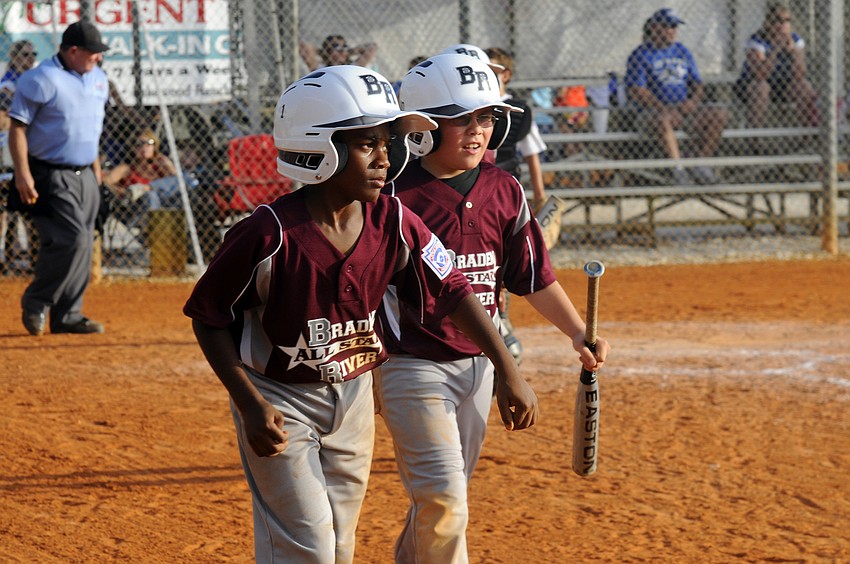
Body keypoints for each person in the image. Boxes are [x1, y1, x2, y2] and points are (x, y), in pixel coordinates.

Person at [183, 65, 537, 563]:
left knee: (341, 542)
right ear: (320, 147)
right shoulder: (268, 235)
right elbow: (210, 316)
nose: (385, 159)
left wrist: (507, 366)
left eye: (388, 144)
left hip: (352, 398)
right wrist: (248, 402)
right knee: (308, 546)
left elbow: (454, 289)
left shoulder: (392, 220)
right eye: (368, 144)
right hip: (280, 398)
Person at [378, 53, 610, 563]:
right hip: (411, 363)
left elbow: (531, 276)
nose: (477, 130)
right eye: (461, 118)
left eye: (486, 118)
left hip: (480, 364)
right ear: (422, 127)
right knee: (445, 497)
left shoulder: (504, 189)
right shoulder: (392, 195)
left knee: (445, 498)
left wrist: (576, 331)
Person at [8, 20, 110, 335]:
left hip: (86, 174)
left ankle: (68, 314)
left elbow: (88, 129)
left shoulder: (98, 79)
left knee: (85, 239)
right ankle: (37, 301)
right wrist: (23, 174)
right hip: (50, 173)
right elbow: (18, 129)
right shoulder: (40, 79)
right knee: (71, 239)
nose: (98, 58)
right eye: (93, 52)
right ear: (73, 51)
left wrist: (96, 174)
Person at [624, 8, 729, 185]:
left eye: (674, 27)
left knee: (719, 114)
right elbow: (637, 90)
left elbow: (697, 83)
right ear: (656, 28)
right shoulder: (641, 54)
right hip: (653, 113)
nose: (673, 31)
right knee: (663, 119)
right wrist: (663, 108)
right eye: (668, 26)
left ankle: (700, 163)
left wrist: (693, 102)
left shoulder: (682, 51)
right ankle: (677, 170)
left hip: (683, 110)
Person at [734, 1, 819, 129]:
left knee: (804, 86)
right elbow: (760, 75)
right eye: (778, 20)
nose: (783, 25)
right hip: (752, 85)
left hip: (782, 85)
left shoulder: (796, 40)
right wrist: (775, 50)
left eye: (787, 20)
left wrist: (795, 53)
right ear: (768, 23)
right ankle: (753, 139)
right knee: (762, 87)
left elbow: (800, 75)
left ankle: (806, 136)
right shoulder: (757, 40)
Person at [1, 40, 38, 275]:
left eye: (33, 53)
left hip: (29, 152)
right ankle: (4, 256)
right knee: (6, 209)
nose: (30, 58)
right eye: (25, 54)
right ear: (14, 58)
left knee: (30, 208)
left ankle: (36, 258)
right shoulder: (8, 84)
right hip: (6, 153)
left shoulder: (35, 80)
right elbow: (5, 118)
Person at [103, 127, 179, 233]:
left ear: (155, 146)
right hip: (137, 207)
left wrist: (165, 163)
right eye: (139, 144)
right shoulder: (127, 168)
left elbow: (179, 181)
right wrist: (123, 192)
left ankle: (147, 187)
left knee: (185, 179)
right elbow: (105, 182)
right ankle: (155, 232)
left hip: (164, 203)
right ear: (133, 148)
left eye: (149, 143)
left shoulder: (160, 164)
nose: (145, 147)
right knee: (150, 195)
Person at [299, 34, 378, 72]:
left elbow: (372, 48)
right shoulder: (320, 69)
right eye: (336, 47)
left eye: (344, 46)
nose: (342, 50)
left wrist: (350, 51)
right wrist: (323, 52)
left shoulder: (352, 67)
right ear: (328, 51)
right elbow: (303, 47)